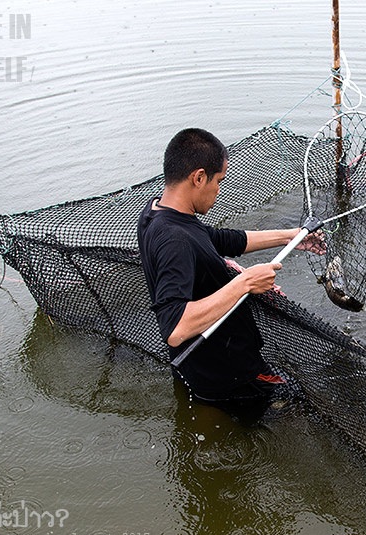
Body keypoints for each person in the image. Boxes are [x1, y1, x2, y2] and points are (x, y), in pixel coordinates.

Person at [137, 127, 323, 423]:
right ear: (198, 177)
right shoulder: (175, 240)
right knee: (300, 416)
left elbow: (222, 240)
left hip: (201, 369)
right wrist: (246, 282)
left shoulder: (157, 213)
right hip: (227, 377)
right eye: (218, 181)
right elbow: (175, 328)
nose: (219, 191)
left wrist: (292, 237)